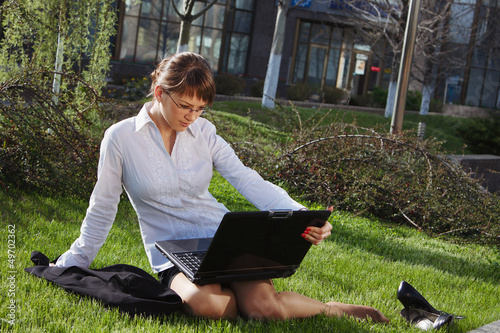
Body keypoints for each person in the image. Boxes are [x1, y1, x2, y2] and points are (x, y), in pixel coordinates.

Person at [54, 52, 389, 323]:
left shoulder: (205, 133)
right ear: (160, 93)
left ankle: (332, 308)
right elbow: (103, 205)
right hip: (172, 253)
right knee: (210, 307)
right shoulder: (121, 138)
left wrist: (303, 216)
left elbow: (245, 178)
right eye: (185, 106)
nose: (192, 117)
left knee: (265, 311)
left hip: (224, 238)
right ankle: (241, 295)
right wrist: (74, 262)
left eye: (200, 109)